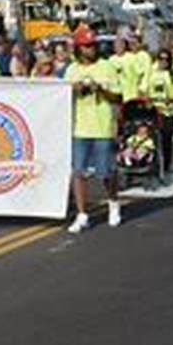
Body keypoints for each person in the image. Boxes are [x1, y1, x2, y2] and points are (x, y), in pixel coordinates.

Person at [65, 25, 122, 233]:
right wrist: (74, 89)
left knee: (105, 171)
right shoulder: (72, 70)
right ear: (78, 48)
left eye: (93, 45)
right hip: (79, 127)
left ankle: (113, 202)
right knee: (78, 172)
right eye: (87, 46)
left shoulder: (106, 67)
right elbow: (61, 97)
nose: (91, 49)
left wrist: (101, 89)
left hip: (101, 126)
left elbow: (118, 96)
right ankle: (82, 214)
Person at [140, 49, 173, 171]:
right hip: (152, 113)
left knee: (165, 141)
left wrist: (172, 100)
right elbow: (142, 90)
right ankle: (149, 162)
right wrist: (147, 100)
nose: (163, 62)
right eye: (160, 59)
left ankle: (166, 166)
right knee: (150, 140)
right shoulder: (150, 73)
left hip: (167, 113)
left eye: (166, 60)